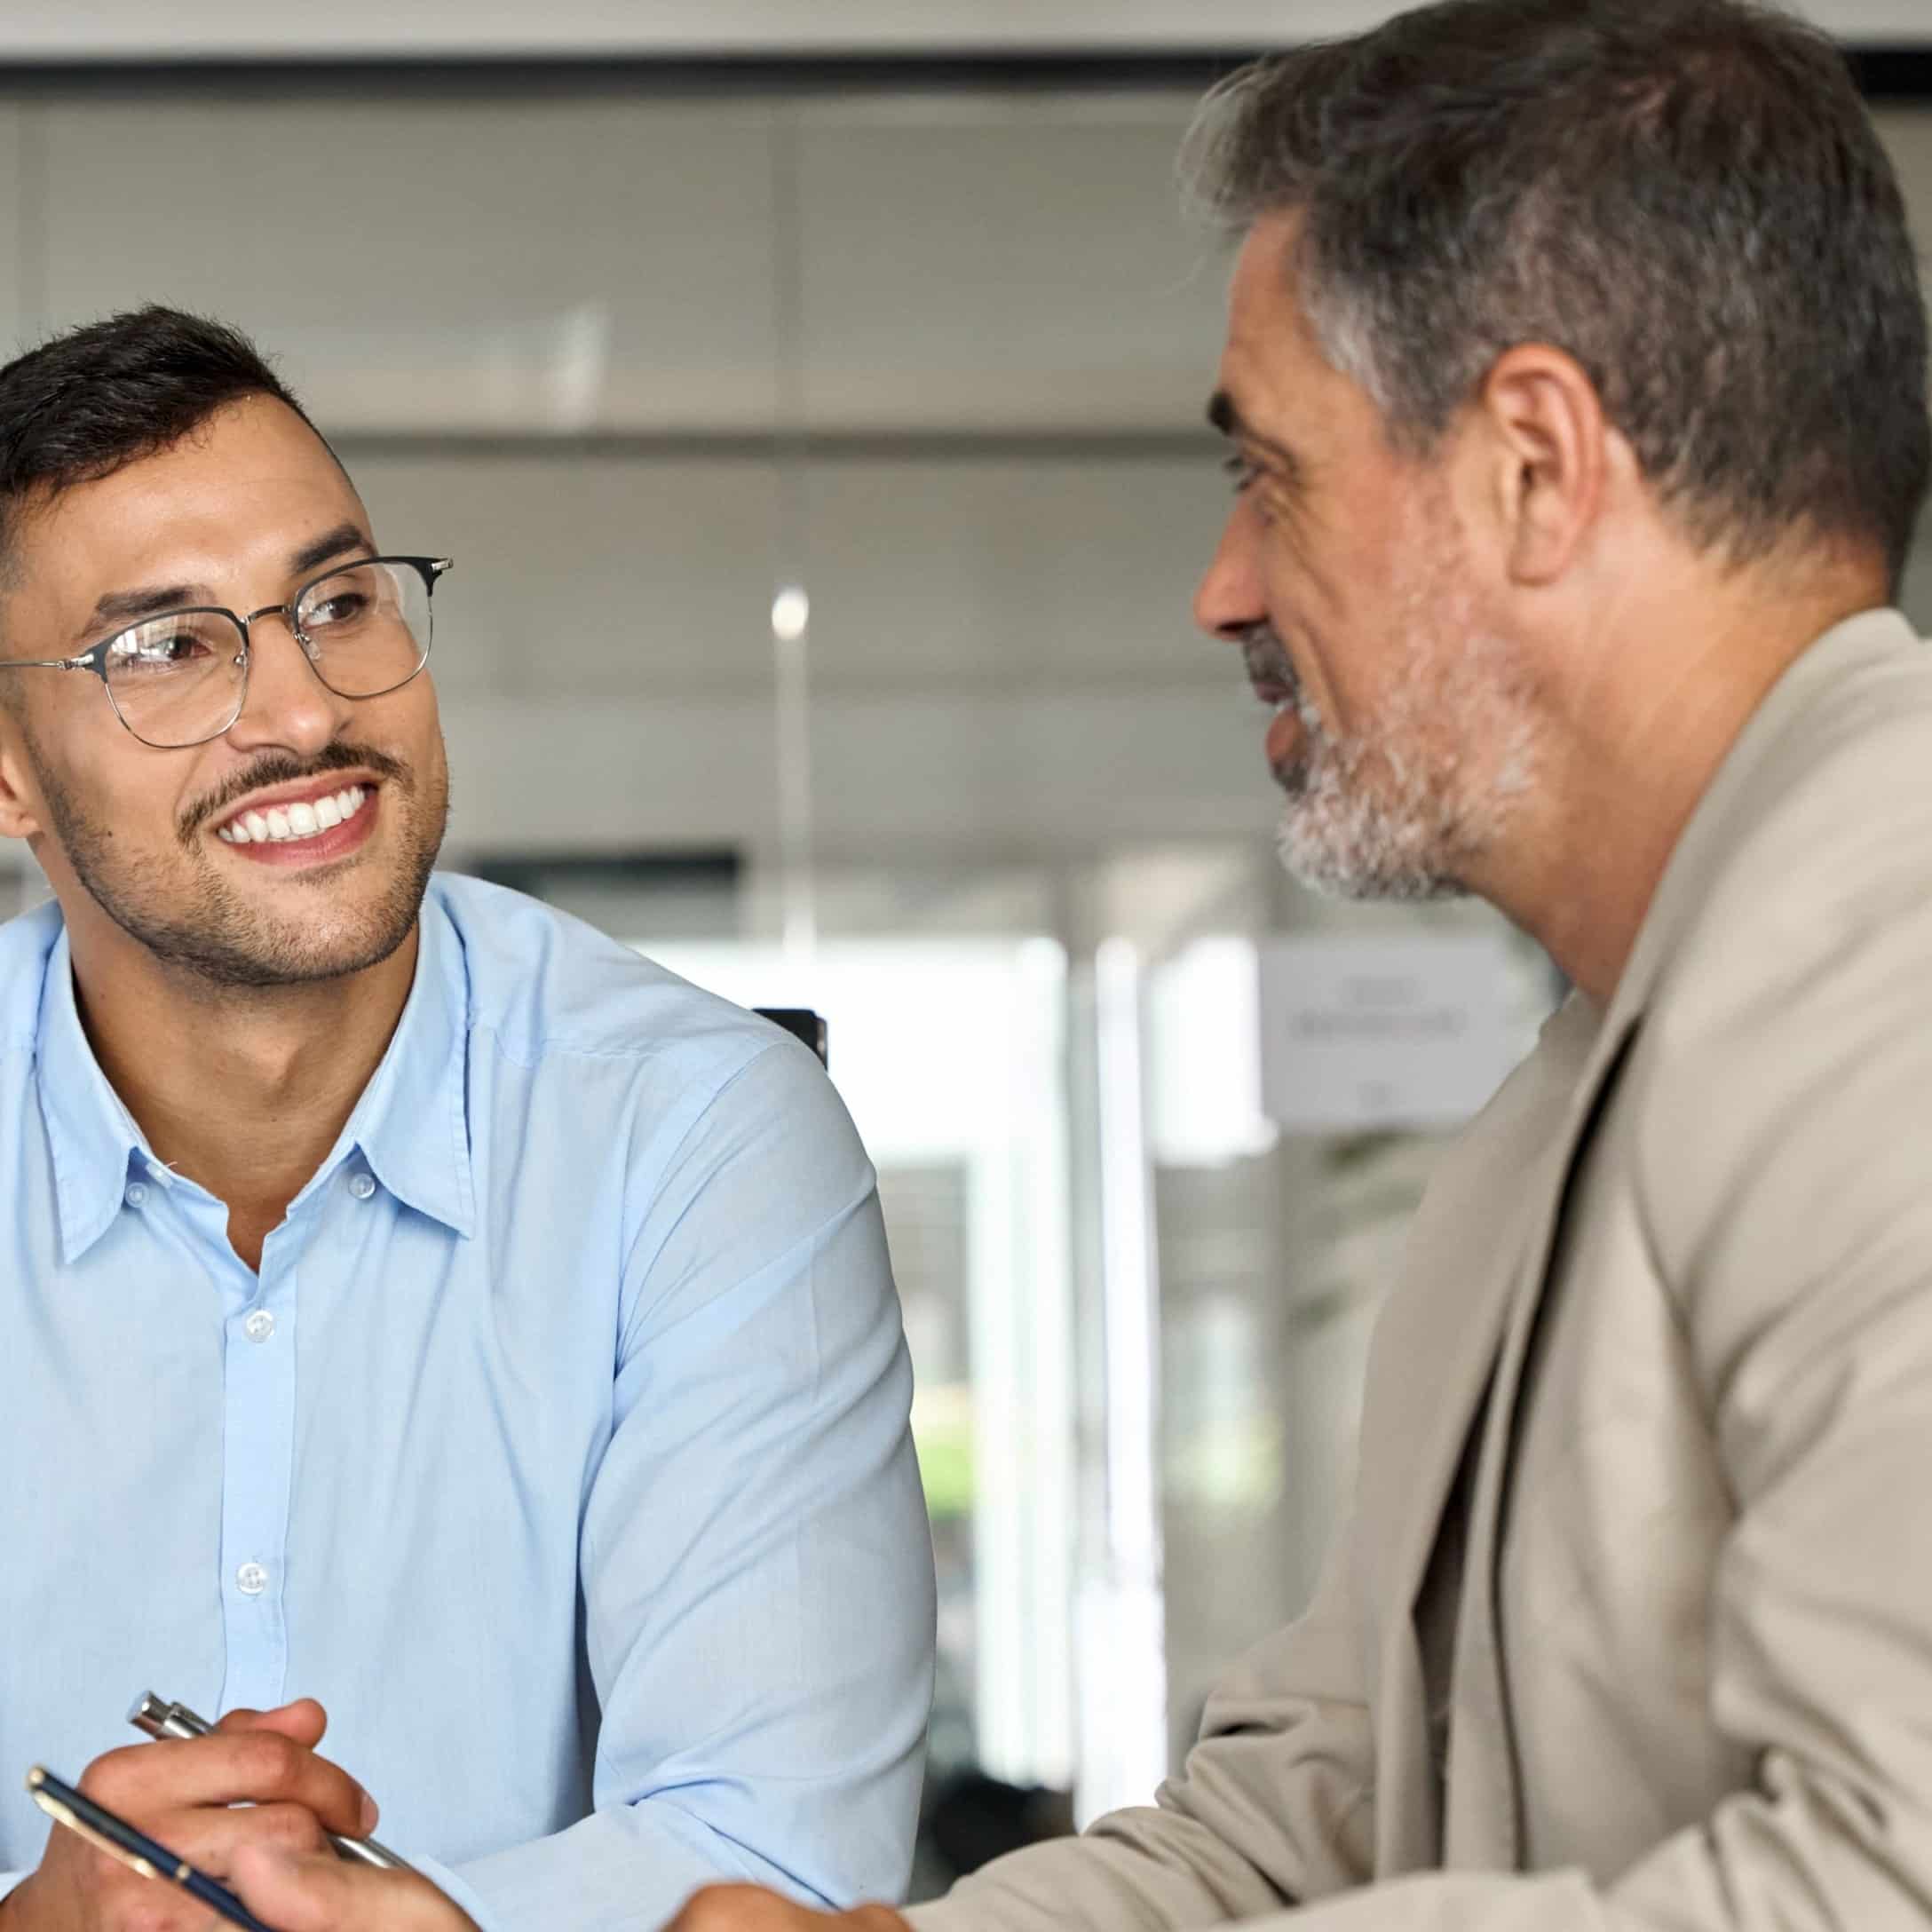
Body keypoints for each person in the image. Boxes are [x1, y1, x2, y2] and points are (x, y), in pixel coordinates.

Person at [217, 0, 1932, 1926]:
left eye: (1268, 475)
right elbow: (1315, 1810)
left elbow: (1876, 1878)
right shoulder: (1578, 1088)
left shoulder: (1888, 982)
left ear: (1534, 464)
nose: (1221, 585)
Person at [0, 309, 936, 1932]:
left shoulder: (694, 1134)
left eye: (336, 602)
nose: (298, 712)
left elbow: (779, 1867)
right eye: (164, 648)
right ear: (7, 774)